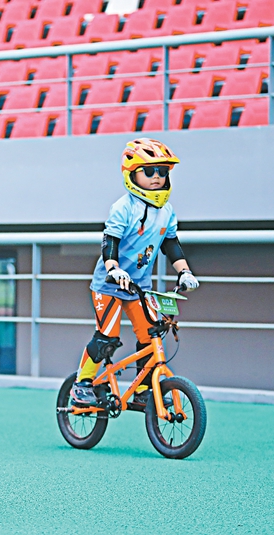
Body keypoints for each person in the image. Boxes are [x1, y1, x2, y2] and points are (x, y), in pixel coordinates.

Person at [70, 138, 200, 407]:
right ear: (132, 175)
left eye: (163, 172)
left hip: (138, 286)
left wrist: (184, 272)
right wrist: (113, 268)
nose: (157, 178)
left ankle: (142, 388)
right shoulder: (123, 208)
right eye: (150, 171)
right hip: (109, 285)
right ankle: (81, 384)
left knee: (150, 333)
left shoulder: (167, 211)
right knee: (107, 336)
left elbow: (170, 244)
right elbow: (110, 242)